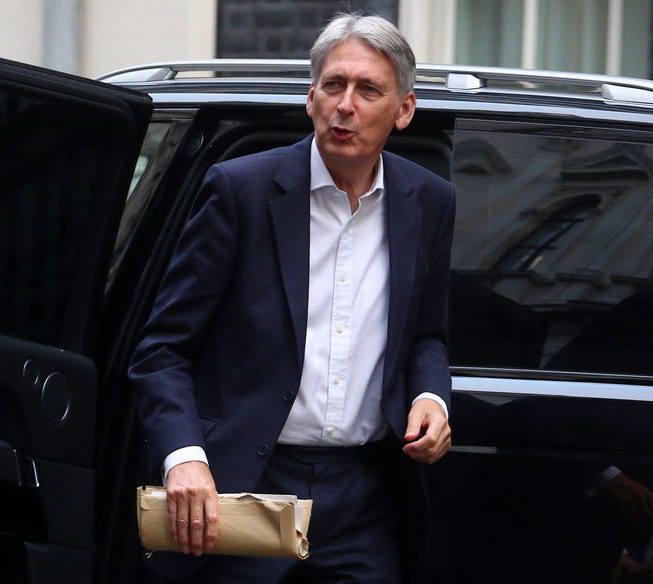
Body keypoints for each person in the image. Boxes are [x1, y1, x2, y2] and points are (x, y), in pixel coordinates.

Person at [128, 12, 456, 583]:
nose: (345, 105)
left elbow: (426, 332)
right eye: (333, 85)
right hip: (245, 487)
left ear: (404, 109)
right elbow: (162, 350)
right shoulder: (241, 190)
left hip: (366, 496)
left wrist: (432, 396)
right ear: (311, 98)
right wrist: (184, 458)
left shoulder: (429, 201)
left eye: (368, 89)